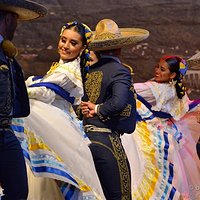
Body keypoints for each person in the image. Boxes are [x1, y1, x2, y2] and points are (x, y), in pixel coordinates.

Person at [12, 21, 105, 199]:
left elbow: (45, 93)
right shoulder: (63, 65)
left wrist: (16, 89)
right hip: (52, 124)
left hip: (54, 128)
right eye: (64, 40)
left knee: (49, 176)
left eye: (73, 43)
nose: (66, 46)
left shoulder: (69, 71)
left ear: (82, 48)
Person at [80, 18, 149, 200]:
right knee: (119, 196)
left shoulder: (88, 71)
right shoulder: (119, 70)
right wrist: (98, 108)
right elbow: (118, 102)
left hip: (83, 138)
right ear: (119, 48)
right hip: (107, 139)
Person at [121, 55, 200, 200]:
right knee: (172, 175)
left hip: (154, 131)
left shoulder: (155, 89)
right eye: (157, 66)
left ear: (173, 75)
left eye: (162, 69)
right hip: (171, 134)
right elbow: (186, 107)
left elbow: (128, 89)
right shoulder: (178, 90)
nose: (157, 70)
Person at [0, 1, 47, 199]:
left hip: (4, 131)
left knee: (17, 191)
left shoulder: (4, 49)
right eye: (16, 20)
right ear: (9, 20)